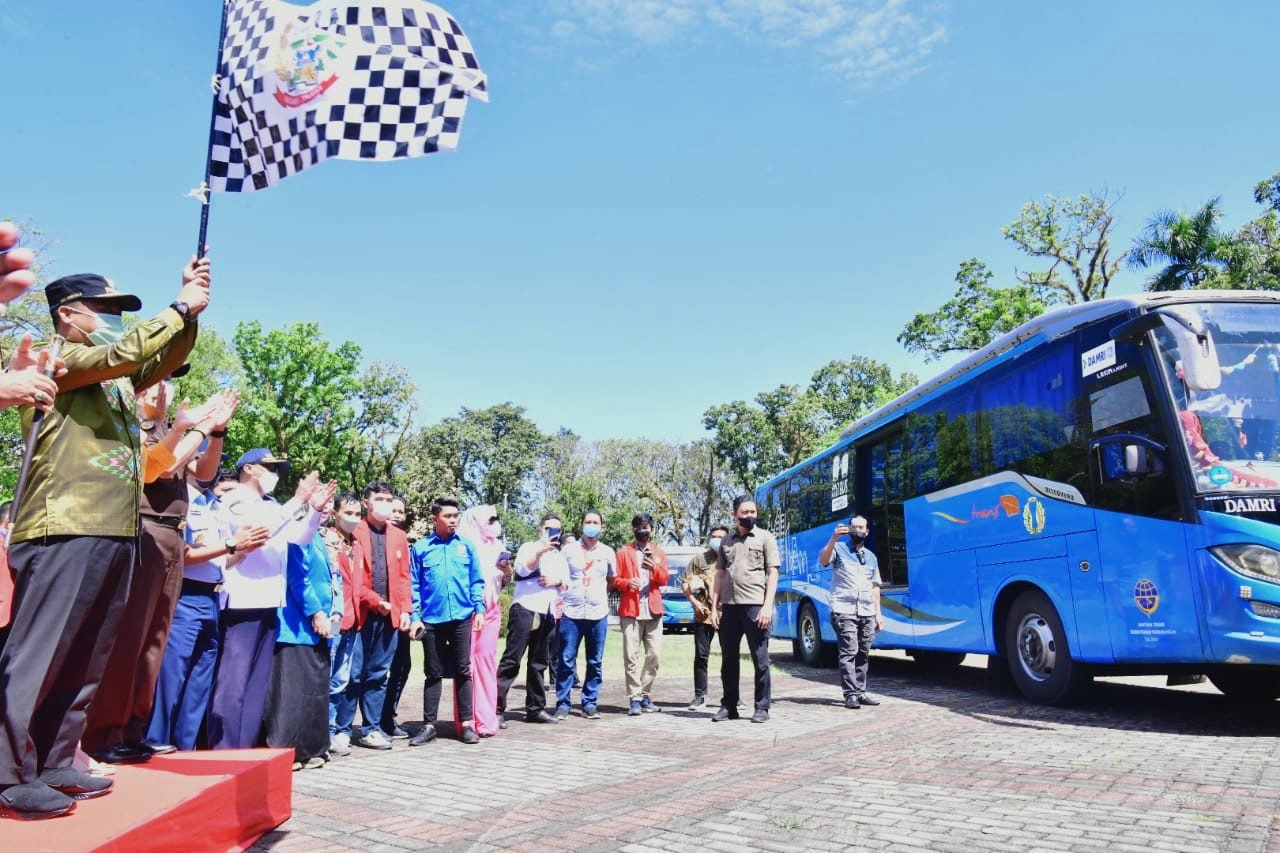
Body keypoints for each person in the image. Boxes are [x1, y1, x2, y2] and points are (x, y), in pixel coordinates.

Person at [0, 263, 207, 818]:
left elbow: (160, 358)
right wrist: (178, 308)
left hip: (114, 528)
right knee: (40, 654)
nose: (116, 320)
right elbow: (131, 352)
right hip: (63, 523)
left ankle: (54, 760)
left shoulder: (113, 376)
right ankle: (7, 771)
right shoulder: (57, 359)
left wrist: (192, 313)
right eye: (107, 310)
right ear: (69, 313)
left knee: (85, 658)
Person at [83, 384, 235, 764]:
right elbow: (161, 468)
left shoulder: (171, 428)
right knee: (130, 638)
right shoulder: (133, 425)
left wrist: (216, 432)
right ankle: (105, 734)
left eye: (167, 382)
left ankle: (135, 731)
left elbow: (204, 472)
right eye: (155, 382)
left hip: (173, 535)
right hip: (145, 529)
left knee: (155, 641)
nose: (162, 390)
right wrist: (197, 427)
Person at [147, 453, 270, 751]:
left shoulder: (212, 504)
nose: (211, 466)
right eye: (201, 457)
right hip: (186, 595)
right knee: (172, 677)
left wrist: (244, 548)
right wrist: (231, 544)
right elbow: (182, 554)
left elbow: (223, 560)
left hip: (213, 597)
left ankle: (185, 748)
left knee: (199, 682)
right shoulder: (180, 500)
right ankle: (155, 743)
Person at [208, 451, 327, 749]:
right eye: (269, 467)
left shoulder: (272, 505)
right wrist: (298, 500)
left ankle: (246, 749)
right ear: (248, 468)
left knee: (256, 685)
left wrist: (314, 510)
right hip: (242, 601)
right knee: (233, 682)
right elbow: (261, 532)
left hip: (270, 601)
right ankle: (224, 749)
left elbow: (299, 537)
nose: (275, 474)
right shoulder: (235, 500)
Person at [265, 483, 339, 771]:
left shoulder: (319, 536)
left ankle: (311, 748)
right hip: (296, 625)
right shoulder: (297, 532)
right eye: (322, 500)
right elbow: (298, 577)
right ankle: (286, 751)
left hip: (319, 629)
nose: (327, 506)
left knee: (314, 690)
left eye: (330, 501)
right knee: (291, 693)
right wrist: (315, 612)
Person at [334, 483, 413, 751]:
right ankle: (343, 729)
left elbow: (404, 577)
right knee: (353, 674)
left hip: (390, 617)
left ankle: (371, 728)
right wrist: (375, 601)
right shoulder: (354, 531)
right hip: (362, 614)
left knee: (379, 674)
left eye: (389, 499)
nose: (385, 504)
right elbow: (352, 578)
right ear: (367, 502)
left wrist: (406, 610)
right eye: (379, 498)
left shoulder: (398, 536)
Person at [407, 498, 485, 746]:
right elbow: (413, 585)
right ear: (435, 519)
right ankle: (429, 725)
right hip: (431, 620)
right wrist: (415, 617)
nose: (453, 520)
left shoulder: (466, 546)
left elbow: (476, 580)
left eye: (455, 515)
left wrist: (479, 609)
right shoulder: (421, 548)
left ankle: (466, 724)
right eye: (448, 516)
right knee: (433, 672)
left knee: (463, 670)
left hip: (461, 617)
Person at [710, 496, 780, 724]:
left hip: (755, 606)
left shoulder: (765, 538)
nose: (749, 515)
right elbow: (719, 575)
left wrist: (767, 606)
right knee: (728, 659)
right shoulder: (726, 541)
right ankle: (729, 706)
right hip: (729, 607)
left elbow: (773, 573)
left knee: (760, 659)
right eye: (745, 512)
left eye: (753, 512)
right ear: (735, 515)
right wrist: (714, 607)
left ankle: (762, 707)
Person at [497, 514, 569, 725]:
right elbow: (521, 569)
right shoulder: (529, 547)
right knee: (512, 659)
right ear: (540, 529)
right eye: (548, 528)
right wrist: (540, 551)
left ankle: (535, 709)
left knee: (539, 662)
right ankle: (495, 708)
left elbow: (567, 585)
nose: (552, 533)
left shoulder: (560, 556)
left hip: (548, 610)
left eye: (557, 530)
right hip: (525, 607)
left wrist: (557, 581)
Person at [819, 515, 884, 709]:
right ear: (849, 529)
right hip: (844, 610)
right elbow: (823, 560)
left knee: (863, 652)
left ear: (867, 531)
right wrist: (833, 538)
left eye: (862, 527)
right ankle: (850, 694)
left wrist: (878, 614)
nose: (858, 531)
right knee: (849, 651)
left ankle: (860, 692)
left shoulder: (871, 557)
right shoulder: (838, 549)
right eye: (855, 527)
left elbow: (875, 586)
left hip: (867, 611)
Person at [556, 510, 615, 720]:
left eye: (595, 522)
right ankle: (563, 703)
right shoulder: (568, 551)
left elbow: (612, 580)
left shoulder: (608, 552)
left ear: (602, 527)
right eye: (588, 522)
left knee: (595, 661)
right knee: (566, 660)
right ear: (581, 525)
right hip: (571, 612)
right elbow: (559, 577)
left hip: (598, 613)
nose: (592, 525)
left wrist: (599, 596)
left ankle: (590, 703)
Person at [455, 505, 506, 737]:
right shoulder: (463, 545)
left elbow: (503, 581)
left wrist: (506, 571)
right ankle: (467, 720)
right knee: (466, 664)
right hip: (469, 608)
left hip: (492, 607)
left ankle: (486, 719)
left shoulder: (497, 546)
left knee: (486, 662)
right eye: (490, 519)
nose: (494, 523)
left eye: (496, 518)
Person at [612, 513, 669, 716]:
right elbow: (614, 580)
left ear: (651, 530)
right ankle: (635, 698)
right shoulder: (623, 552)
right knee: (631, 657)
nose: (642, 530)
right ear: (633, 529)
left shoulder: (659, 552)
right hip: (631, 611)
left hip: (653, 612)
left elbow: (664, 579)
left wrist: (655, 568)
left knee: (654, 655)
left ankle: (645, 694)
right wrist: (628, 583)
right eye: (638, 527)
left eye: (645, 527)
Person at [682, 525, 728, 710]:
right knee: (701, 656)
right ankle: (699, 696)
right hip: (704, 614)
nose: (717, 540)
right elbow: (685, 583)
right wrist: (694, 602)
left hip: (727, 614)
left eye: (721, 537)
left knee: (729, 656)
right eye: (714, 536)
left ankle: (732, 696)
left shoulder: (732, 558)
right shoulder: (699, 559)